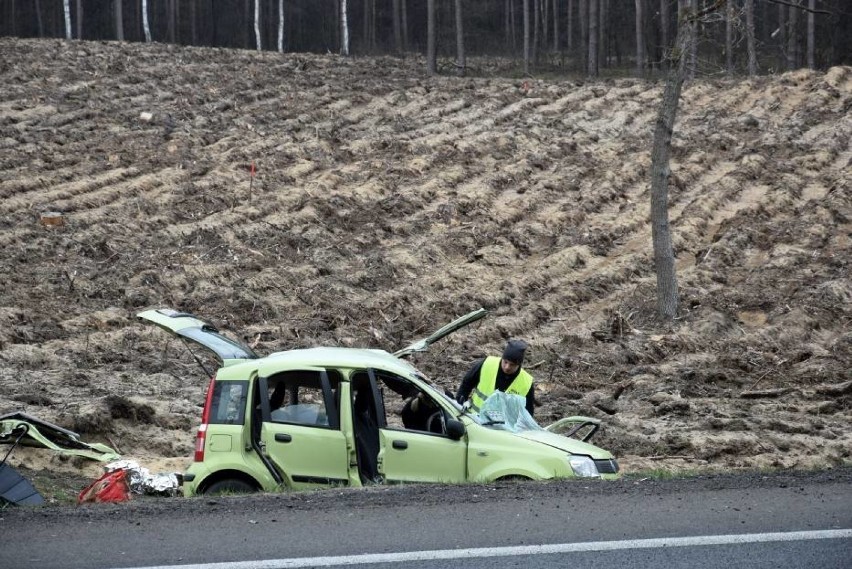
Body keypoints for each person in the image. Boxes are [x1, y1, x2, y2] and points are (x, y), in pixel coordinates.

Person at [456, 339, 535, 417]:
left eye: (512, 364)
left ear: (519, 365)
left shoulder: (526, 382)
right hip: (475, 419)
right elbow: (467, 383)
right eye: (505, 362)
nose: (507, 367)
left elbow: (528, 413)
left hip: (501, 428)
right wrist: (459, 402)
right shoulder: (487, 364)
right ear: (502, 358)